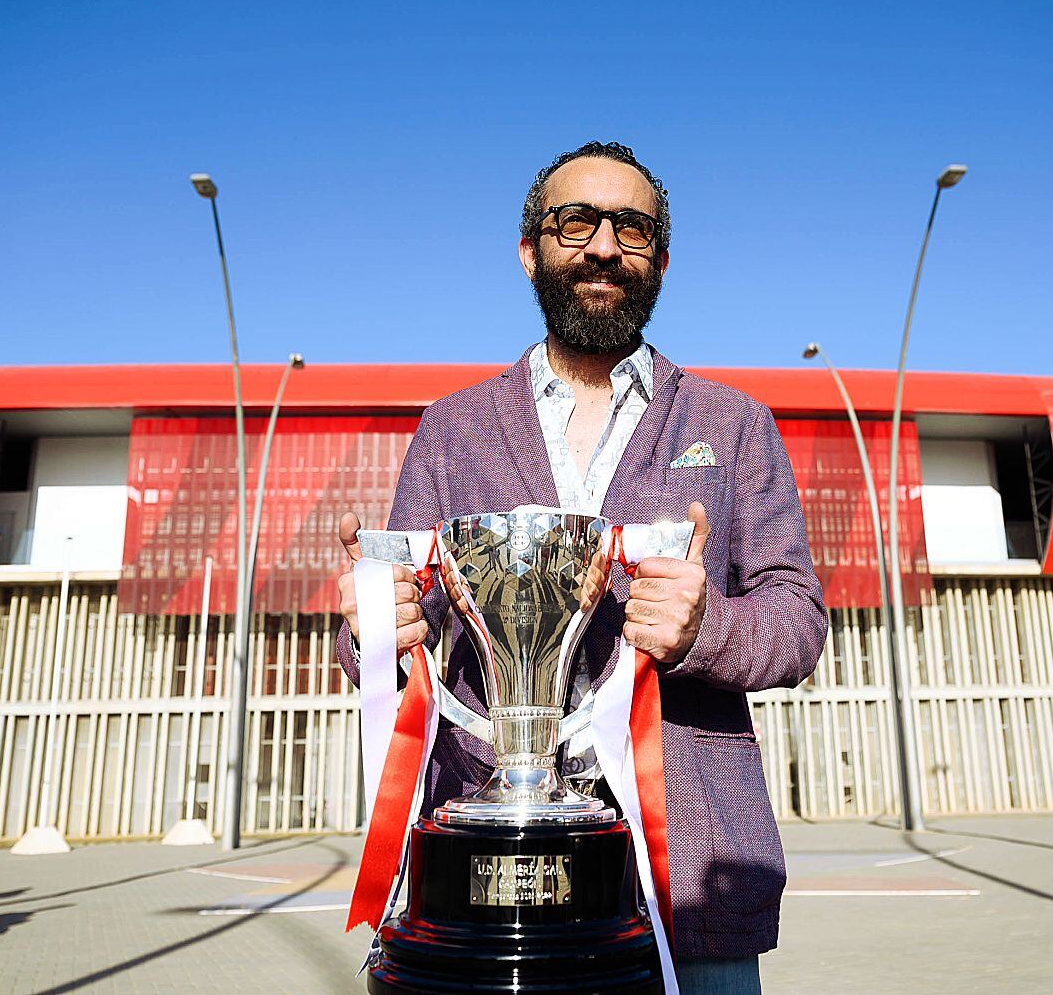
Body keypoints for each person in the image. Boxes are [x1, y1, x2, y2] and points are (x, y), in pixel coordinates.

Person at [336, 141, 827, 994]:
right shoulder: (453, 429)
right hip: (491, 871)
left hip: (692, 873)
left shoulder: (733, 422)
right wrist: (373, 627)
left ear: (661, 261)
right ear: (531, 251)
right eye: (576, 222)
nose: (604, 245)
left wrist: (708, 625)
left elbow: (798, 619)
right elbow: (399, 617)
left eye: (631, 229)